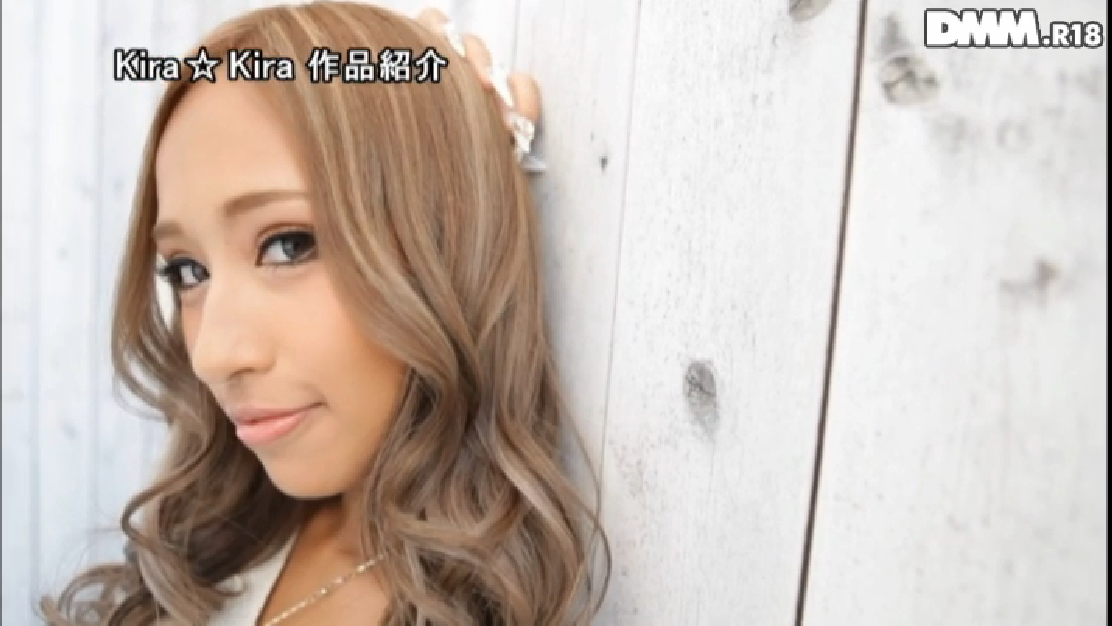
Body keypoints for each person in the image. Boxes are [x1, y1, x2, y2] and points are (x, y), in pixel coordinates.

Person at [40, 3, 610, 624]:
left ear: (446, 245)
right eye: (188, 272)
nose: (212, 357)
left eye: (288, 245)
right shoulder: (221, 542)